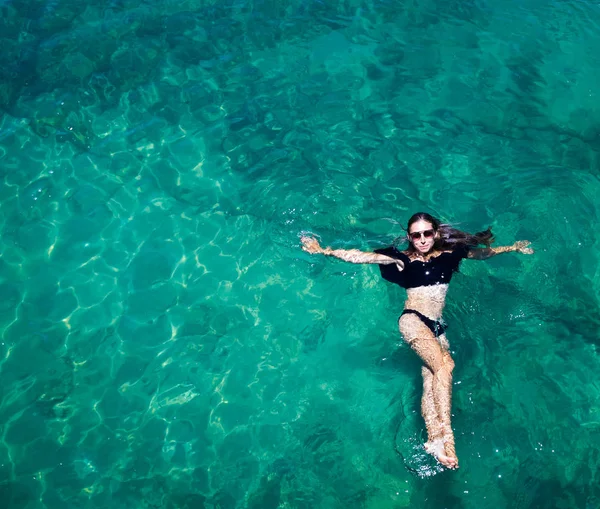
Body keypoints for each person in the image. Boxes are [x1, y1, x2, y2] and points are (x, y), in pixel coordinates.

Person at [300, 212, 533, 469]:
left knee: (431, 377)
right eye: (416, 235)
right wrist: (323, 250)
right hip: (413, 319)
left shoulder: (449, 255)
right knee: (446, 365)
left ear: (435, 232)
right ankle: (448, 437)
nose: (422, 240)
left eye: (426, 233)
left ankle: (435, 441)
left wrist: (512, 248)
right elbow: (360, 256)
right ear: (409, 237)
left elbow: (481, 254)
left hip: (437, 327)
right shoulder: (401, 259)